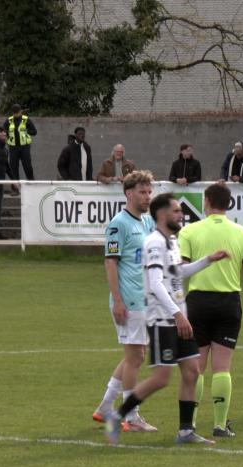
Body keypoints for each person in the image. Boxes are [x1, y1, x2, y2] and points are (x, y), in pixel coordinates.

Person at [105, 193, 228, 446]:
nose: (181, 215)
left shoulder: (171, 241)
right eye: (176, 211)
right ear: (161, 214)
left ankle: (185, 431)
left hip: (178, 318)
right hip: (163, 320)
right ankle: (118, 416)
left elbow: (176, 272)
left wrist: (207, 260)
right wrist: (177, 314)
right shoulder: (153, 243)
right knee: (161, 378)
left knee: (192, 372)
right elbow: (155, 283)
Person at [179, 182, 243, 438]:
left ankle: (190, 424)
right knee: (222, 367)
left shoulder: (189, 231)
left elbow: (178, 272)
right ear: (229, 203)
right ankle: (219, 424)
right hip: (228, 303)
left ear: (206, 201)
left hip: (197, 302)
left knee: (197, 366)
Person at [91, 171, 159, 434]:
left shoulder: (147, 221)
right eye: (142, 192)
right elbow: (110, 262)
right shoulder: (118, 224)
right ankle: (131, 416)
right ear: (129, 193)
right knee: (135, 357)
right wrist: (118, 301)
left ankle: (105, 408)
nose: (147, 197)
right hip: (129, 300)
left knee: (134, 355)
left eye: (149, 192)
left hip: (143, 299)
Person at [3, 103, 36, 180]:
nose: (16, 114)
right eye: (15, 113)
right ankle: (15, 186)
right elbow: (3, 132)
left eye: (17, 112)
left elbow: (34, 132)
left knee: (27, 166)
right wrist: (7, 133)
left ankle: (31, 182)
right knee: (13, 167)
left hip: (25, 147)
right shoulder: (9, 121)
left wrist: (27, 131)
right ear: (12, 112)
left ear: (21, 111)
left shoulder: (26, 119)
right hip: (13, 148)